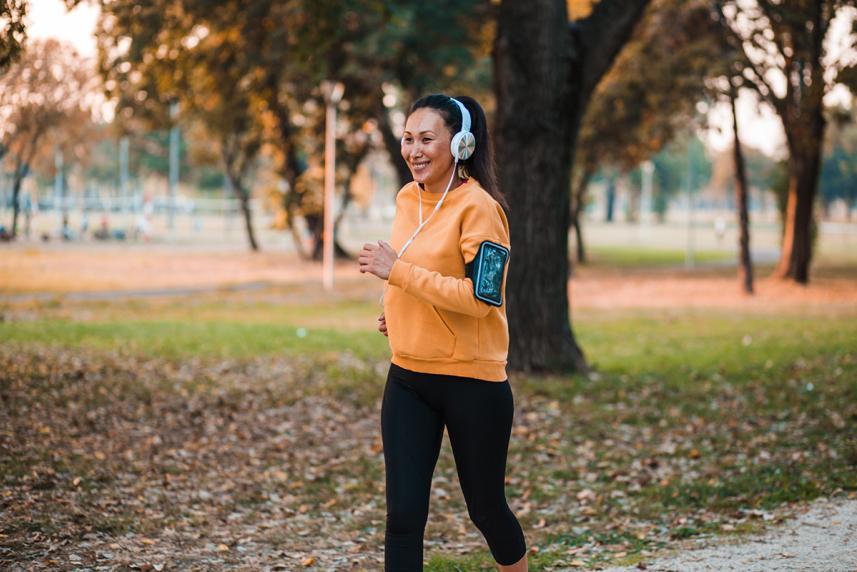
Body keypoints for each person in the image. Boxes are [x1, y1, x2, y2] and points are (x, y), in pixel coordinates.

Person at [358, 94, 528, 571]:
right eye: (408, 139)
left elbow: (482, 299)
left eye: (426, 139)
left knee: (486, 510)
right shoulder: (406, 198)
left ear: (461, 143)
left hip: (473, 384)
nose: (414, 149)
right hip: (408, 378)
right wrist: (400, 310)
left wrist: (397, 276)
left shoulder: (481, 209)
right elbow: (419, 270)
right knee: (403, 518)